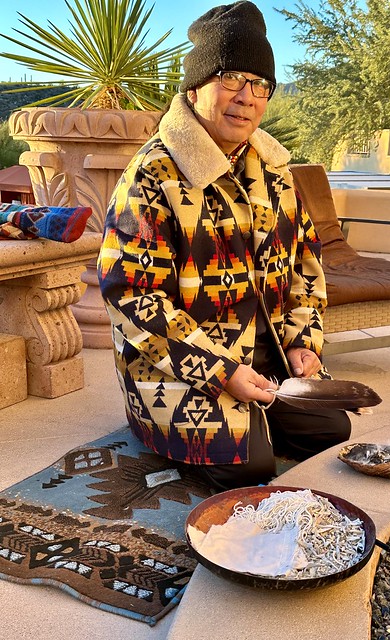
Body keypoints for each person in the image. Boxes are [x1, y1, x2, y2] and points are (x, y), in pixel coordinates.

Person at [97, 1, 351, 491]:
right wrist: (220, 371)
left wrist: (304, 343)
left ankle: (258, 408)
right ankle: (196, 420)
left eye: (261, 85)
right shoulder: (153, 176)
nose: (247, 97)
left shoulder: (277, 174)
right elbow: (130, 296)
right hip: (178, 361)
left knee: (331, 429)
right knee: (249, 465)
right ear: (194, 88)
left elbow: (306, 268)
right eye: (232, 78)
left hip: (267, 351)